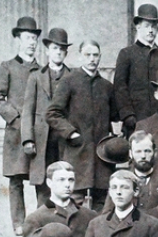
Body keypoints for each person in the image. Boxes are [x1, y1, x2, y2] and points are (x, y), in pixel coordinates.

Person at [46, 40, 119, 212]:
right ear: (80, 56)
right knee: (74, 198)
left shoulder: (107, 86)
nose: (92, 59)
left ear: (100, 57)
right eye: (88, 55)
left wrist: (114, 136)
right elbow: (52, 113)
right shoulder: (69, 82)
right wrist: (71, 133)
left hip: (102, 156)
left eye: (95, 55)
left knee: (103, 201)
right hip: (77, 151)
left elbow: (115, 116)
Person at [0, 17, 41, 234]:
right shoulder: (7, 67)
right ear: (18, 40)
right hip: (15, 132)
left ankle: (41, 221)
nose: (31, 42)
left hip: (38, 132)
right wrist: (15, 118)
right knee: (15, 180)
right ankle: (19, 223)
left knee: (41, 178)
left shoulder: (42, 70)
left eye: (34, 38)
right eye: (27, 38)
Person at [21, 28, 72, 210]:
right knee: (43, 184)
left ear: (66, 52)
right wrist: (28, 139)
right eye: (54, 48)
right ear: (48, 51)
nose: (58, 52)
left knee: (66, 181)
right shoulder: (36, 76)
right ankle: (42, 225)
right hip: (42, 140)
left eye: (61, 49)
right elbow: (28, 110)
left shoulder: (72, 76)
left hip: (64, 140)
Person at [114, 4, 158, 132]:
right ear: (138, 27)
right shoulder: (126, 54)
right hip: (136, 121)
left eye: (154, 26)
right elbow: (120, 87)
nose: (151, 30)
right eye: (147, 26)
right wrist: (127, 115)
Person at [101, 131, 158, 212]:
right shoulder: (119, 180)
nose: (143, 156)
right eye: (138, 151)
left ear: (155, 152)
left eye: (147, 151)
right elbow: (107, 214)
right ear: (130, 153)